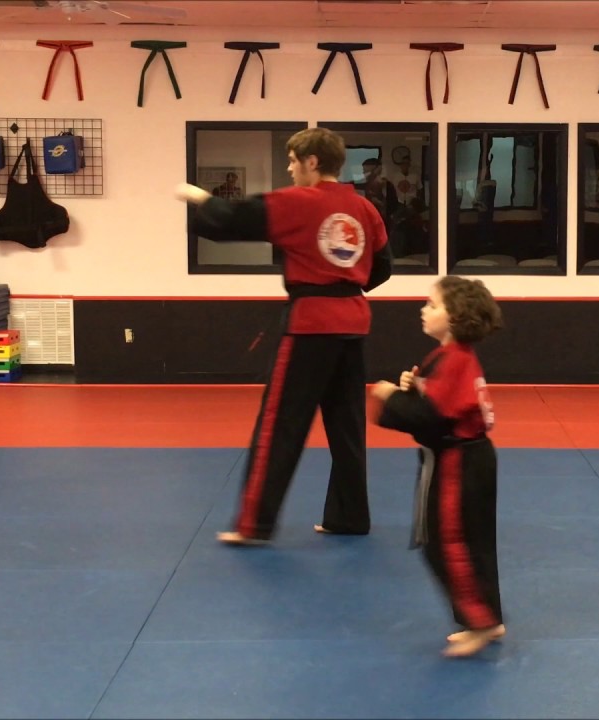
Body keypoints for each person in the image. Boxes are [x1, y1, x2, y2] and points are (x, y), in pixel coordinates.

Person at [175, 127, 392, 546]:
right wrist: (345, 282)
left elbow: (233, 219)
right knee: (347, 426)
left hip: (311, 325)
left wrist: (200, 198)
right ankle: (349, 517)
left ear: (312, 161)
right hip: (353, 323)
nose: (290, 168)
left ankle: (254, 524)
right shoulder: (364, 208)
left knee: (281, 425)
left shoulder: (299, 202)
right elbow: (383, 267)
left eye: (293, 161)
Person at [369, 276, 504, 658]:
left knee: (446, 544)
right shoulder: (450, 357)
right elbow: (438, 400)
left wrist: (389, 398)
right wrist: (414, 386)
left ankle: (479, 622)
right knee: (473, 543)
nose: (423, 309)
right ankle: (487, 617)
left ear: (456, 316)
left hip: (458, 463)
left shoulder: (455, 359)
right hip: (468, 458)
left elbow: (430, 416)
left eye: (432, 305)